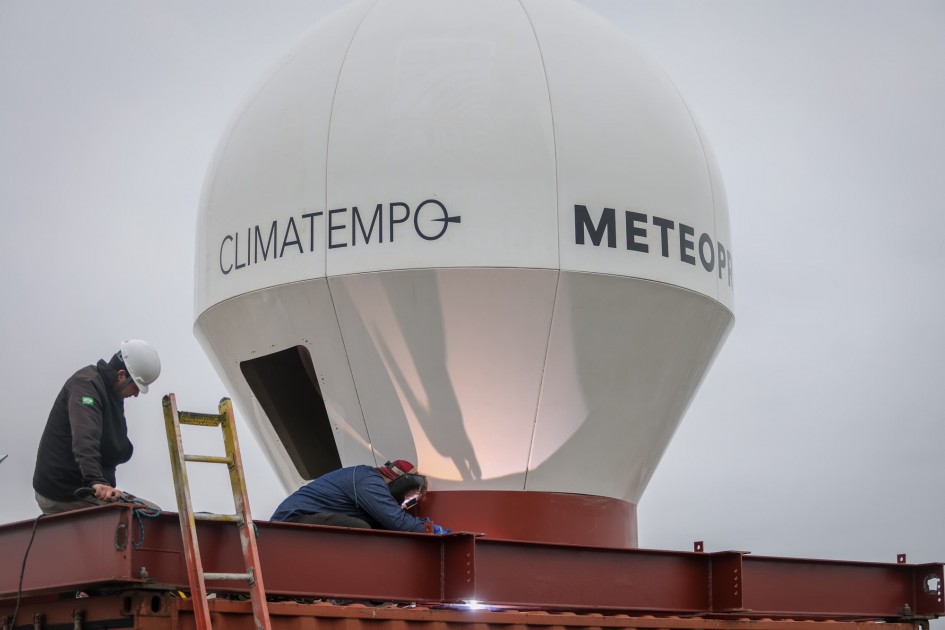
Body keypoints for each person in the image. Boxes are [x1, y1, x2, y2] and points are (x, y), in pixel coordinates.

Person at [32, 340, 161, 515]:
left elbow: (115, 444)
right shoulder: (86, 386)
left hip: (87, 486)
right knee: (148, 514)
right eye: (136, 386)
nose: (137, 394)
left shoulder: (112, 393)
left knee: (152, 511)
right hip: (63, 491)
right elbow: (85, 437)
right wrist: (96, 481)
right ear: (121, 375)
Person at [270, 459, 451, 534]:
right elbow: (397, 521)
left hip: (301, 523)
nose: (403, 503)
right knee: (358, 527)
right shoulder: (369, 480)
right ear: (403, 481)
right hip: (291, 523)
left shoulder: (367, 480)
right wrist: (433, 529)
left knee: (374, 529)